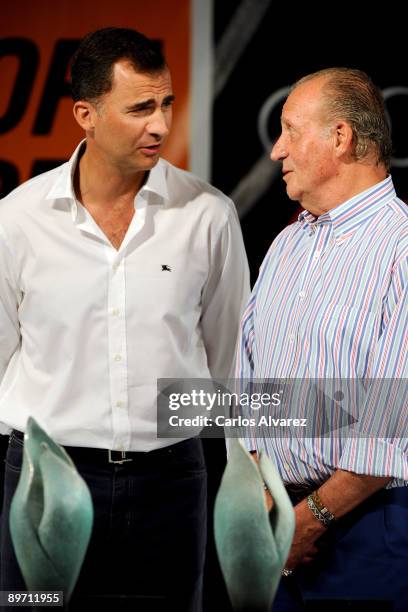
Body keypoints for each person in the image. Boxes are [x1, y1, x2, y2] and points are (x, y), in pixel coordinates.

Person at [0, 27, 250, 611]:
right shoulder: (16, 219)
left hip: (172, 483)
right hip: (44, 478)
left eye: (165, 103)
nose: (161, 124)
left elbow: (230, 360)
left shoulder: (209, 216)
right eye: (140, 108)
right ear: (85, 114)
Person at [237, 68, 408, 610]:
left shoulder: (401, 249)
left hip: (372, 532)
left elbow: (389, 422)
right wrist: (267, 502)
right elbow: (250, 384)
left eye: (289, 130)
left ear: (340, 137)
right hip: (276, 526)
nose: (275, 151)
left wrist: (310, 520)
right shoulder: (286, 245)